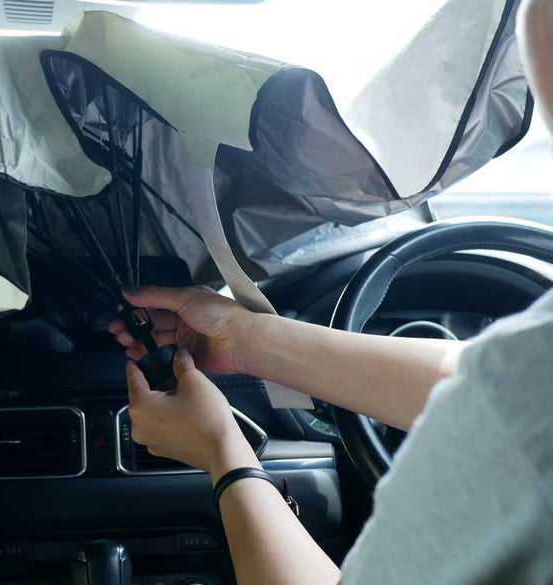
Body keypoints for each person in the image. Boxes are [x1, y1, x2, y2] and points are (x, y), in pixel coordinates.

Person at [108, 1, 553, 583]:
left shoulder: (516, 419)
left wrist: (223, 451)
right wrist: (247, 339)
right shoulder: (519, 388)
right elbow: (488, 379)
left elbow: (506, 395)